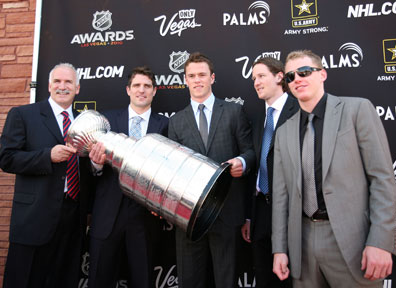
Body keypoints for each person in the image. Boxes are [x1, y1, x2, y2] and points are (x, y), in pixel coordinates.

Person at [272, 49, 396, 288]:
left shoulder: (357, 110)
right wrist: (279, 249)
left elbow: (382, 178)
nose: (297, 79)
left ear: (323, 75)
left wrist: (381, 242)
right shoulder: (284, 131)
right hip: (302, 244)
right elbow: (281, 197)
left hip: (354, 243)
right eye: (290, 76)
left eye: (304, 72)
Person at [0, 63, 94, 288]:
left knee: (65, 280)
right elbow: (6, 158)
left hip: (73, 218)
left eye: (69, 82)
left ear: (78, 88)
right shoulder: (23, 114)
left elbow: (90, 173)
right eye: (58, 82)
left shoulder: (86, 123)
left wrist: (96, 164)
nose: (63, 87)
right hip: (34, 218)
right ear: (49, 85)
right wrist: (46, 157)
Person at [168, 52, 255, 288]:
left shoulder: (233, 112)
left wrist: (242, 162)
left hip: (226, 212)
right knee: (190, 280)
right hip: (188, 215)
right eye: (192, 76)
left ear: (212, 78)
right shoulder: (176, 121)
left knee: (226, 279)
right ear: (185, 80)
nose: (197, 80)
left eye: (202, 75)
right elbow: (172, 170)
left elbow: (250, 152)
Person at [88, 66, 168, 288]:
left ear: (154, 91)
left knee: (142, 280)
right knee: (99, 279)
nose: (141, 90)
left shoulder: (165, 125)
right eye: (137, 86)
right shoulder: (107, 121)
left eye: (147, 86)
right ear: (128, 90)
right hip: (107, 214)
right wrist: (95, 163)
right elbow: (94, 171)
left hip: (145, 216)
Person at [241, 57, 298, 288]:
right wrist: (249, 216)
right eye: (254, 78)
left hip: (290, 213)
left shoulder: (299, 111)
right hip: (260, 212)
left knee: (290, 279)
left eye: (261, 76)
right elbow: (254, 168)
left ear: (279, 76)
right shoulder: (256, 118)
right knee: (264, 278)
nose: (256, 82)